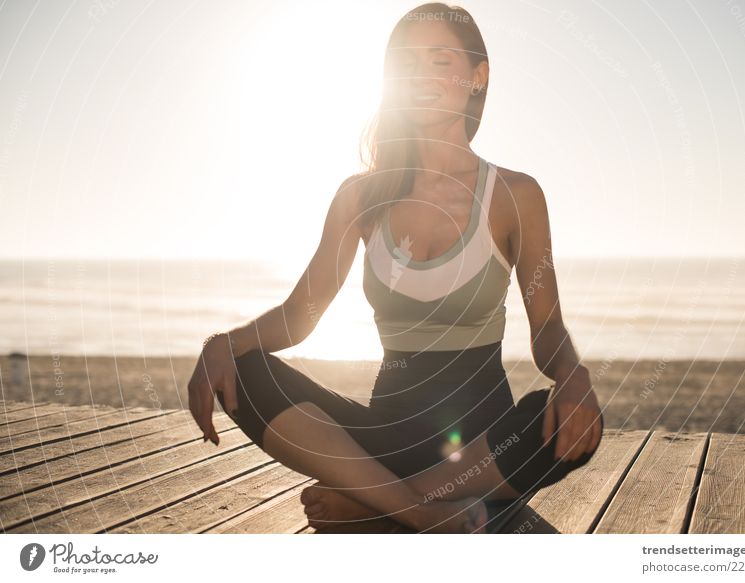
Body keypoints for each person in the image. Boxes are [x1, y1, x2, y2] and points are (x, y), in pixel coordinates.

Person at [187, 2, 603, 534]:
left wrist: (575, 376)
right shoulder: (360, 196)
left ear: (479, 77)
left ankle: (378, 500)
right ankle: (421, 507)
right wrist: (224, 341)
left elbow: (546, 328)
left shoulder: (515, 196)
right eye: (407, 63)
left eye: (439, 60)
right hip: (385, 437)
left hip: (481, 446)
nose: (421, 77)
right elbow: (299, 316)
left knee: (562, 415)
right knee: (243, 372)